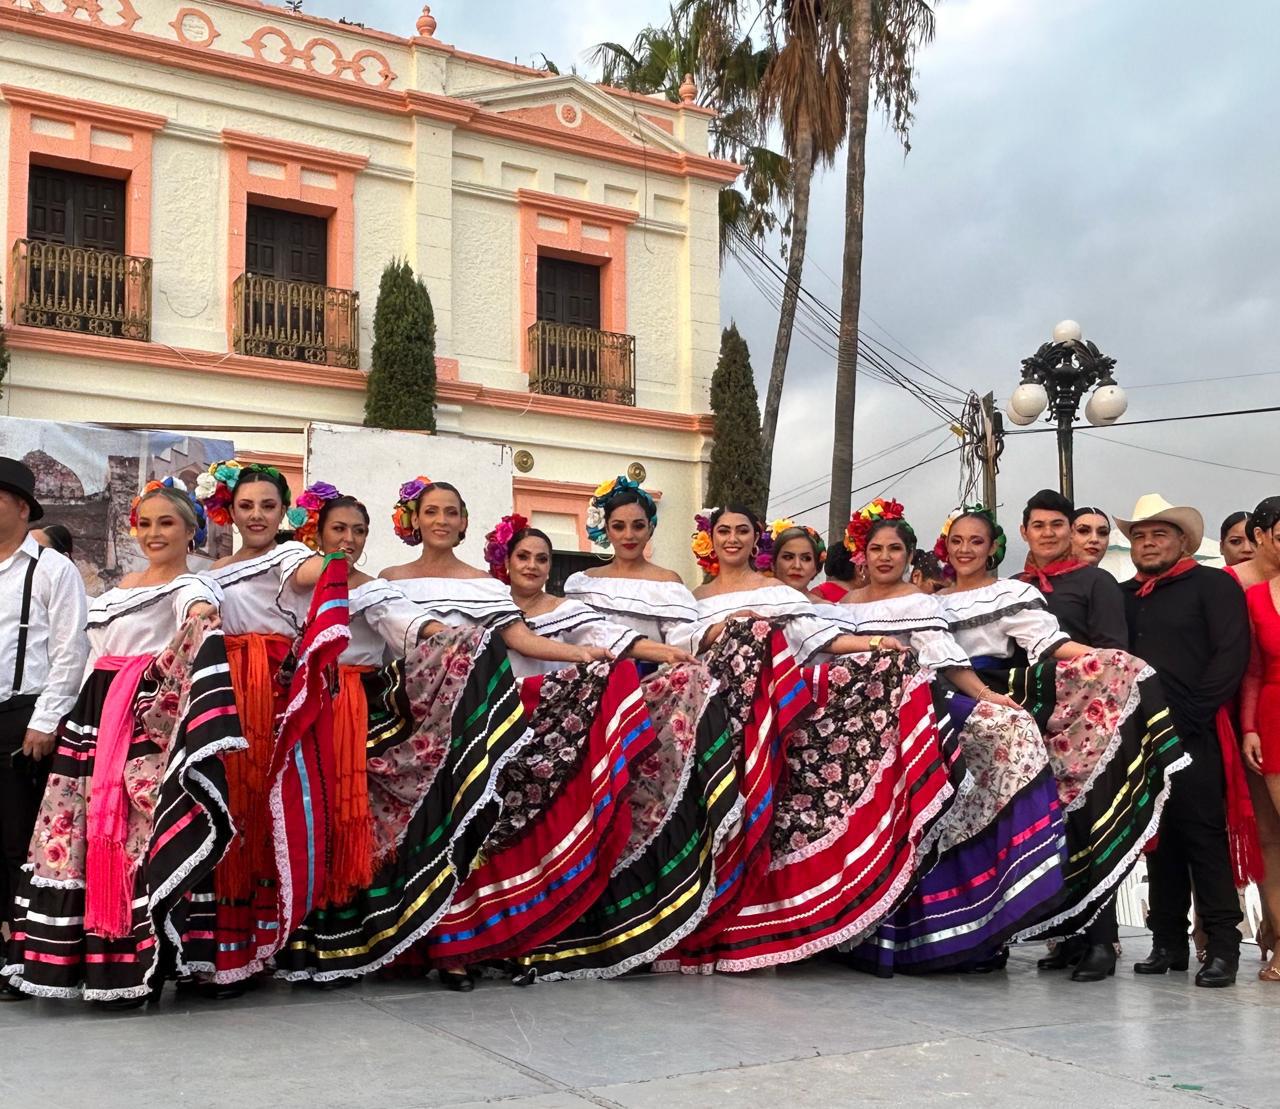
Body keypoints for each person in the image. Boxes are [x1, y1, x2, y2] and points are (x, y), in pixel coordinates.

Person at [662, 504, 955, 974]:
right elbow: (679, 653)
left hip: (770, 711)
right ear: (710, 539)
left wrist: (877, 646)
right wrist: (727, 627)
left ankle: (774, 921)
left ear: (755, 539)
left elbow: (822, 639)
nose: (732, 539)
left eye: (742, 531)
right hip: (718, 717)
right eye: (724, 531)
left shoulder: (777, 591)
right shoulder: (691, 599)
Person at [4, 479, 241, 1006]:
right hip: (93, 718)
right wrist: (61, 718)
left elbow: (197, 613)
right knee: (78, 834)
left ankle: (140, 963)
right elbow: (87, 656)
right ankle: (85, 962)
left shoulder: (190, 587)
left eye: (168, 523)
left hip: (141, 721)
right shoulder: (115, 589)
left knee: (139, 834)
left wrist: (201, 619)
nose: (154, 533)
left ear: (191, 533)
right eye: (146, 523)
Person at [380, 476, 612, 989]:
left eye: (451, 512)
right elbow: (388, 652)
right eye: (431, 511)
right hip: (414, 720)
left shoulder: (486, 589)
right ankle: (414, 943)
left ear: (464, 524)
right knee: (422, 828)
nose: (441, 520)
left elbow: (520, 640)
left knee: (473, 823)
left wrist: (585, 655)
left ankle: (463, 944)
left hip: (474, 723)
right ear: (414, 521)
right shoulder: (390, 579)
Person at [938, 506, 1188, 980]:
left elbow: (1049, 645)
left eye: (976, 540)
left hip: (1018, 706)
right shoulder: (931, 600)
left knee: (1071, 813)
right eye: (958, 540)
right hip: (950, 710)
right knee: (978, 827)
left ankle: (1098, 938)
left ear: (993, 546)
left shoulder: (1025, 591)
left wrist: (1109, 662)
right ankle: (1003, 936)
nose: (966, 549)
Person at [836, 509, 1066, 975]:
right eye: (876, 548)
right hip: (853, 720)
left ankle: (952, 931)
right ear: (862, 553)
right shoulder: (838, 608)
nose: (884, 557)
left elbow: (947, 662)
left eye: (895, 549)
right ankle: (852, 934)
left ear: (909, 555)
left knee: (1005, 738)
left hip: (915, 710)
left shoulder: (922, 603)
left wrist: (987, 697)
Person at [197, 460, 320, 992]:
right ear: (229, 510)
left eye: (268, 505)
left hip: (271, 694)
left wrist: (334, 554)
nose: (256, 515)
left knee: (262, 808)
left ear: (283, 510)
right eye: (246, 505)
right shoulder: (209, 573)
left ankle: (264, 943)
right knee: (225, 808)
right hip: (222, 691)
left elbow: (314, 575)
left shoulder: (291, 556)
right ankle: (221, 948)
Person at [1118, 494, 1250, 988]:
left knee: (1202, 836)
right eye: (1139, 535)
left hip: (1194, 731)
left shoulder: (1213, 585)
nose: (1148, 543)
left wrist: (1191, 716)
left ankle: (1222, 948)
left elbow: (1231, 655)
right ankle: (1167, 942)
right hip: (1138, 735)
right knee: (1158, 839)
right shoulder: (1123, 595)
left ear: (1182, 541)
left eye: (1158, 534)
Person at [1015, 489, 1131, 977]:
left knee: (1091, 827)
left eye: (1057, 525)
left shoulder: (1094, 581)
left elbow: (1112, 656)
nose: (1047, 533)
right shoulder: (1014, 588)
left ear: (1069, 531)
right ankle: (1066, 934)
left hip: (1086, 725)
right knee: (1051, 831)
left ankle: (1103, 940)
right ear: (1024, 531)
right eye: (1038, 525)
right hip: (1031, 722)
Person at [0, 458, 87, 1002]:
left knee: (17, 841)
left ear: (23, 507)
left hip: (21, 716)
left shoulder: (51, 569)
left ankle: (21, 956)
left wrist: (46, 719)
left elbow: (69, 650)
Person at [566, 476, 700, 648]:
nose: (629, 535)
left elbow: (684, 643)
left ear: (650, 529)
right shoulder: (583, 584)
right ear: (606, 529)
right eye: (618, 526)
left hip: (648, 675)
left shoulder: (667, 584)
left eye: (638, 526)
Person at [1237, 496, 1280, 981]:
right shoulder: (1253, 597)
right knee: (1270, 841)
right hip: (1270, 717)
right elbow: (1251, 671)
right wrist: (1248, 726)